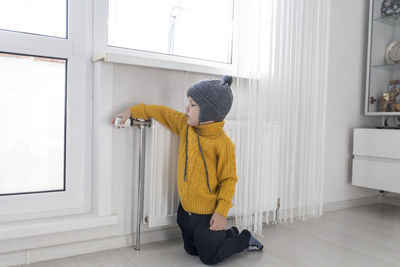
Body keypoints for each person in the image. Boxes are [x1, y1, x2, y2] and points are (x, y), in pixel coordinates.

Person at [112, 75, 263, 265]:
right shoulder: (185, 126)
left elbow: (229, 180)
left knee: (209, 258)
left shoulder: (223, 144)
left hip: (207, 216)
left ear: (208, 111)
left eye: (192, 105)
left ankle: (244, 239)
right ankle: (228, 234)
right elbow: (160, 112)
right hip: (185, 213)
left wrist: (221, 213)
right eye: (188, 103)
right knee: (191, 251)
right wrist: (130, 112)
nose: (186, 108)